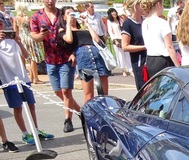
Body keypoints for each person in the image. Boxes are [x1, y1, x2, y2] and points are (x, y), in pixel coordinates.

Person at [0, 20, 55, 147]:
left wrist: (19, 42)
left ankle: (36, 130)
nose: (1, 28)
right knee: (17, 107)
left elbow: (26, 55)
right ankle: (25, 133)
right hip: (8, 80)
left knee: (31, 105)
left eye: (1, 25)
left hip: (22, 77)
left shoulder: (12, 40)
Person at [31, 0, 82, 133]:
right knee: (58, 91)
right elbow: (34, 36)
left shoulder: (63, 13)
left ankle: (68, 120)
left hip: (66, 57)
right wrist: (41, 35)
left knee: (66, 91)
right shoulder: (37, 16)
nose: (50, 1)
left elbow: (75, 33)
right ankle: (80, 112)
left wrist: (74, 53)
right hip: (50, 59)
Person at [59, 6, 110, 103]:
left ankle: (104, 114)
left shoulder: (83, 28)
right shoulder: (64, 30)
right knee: (88, 94)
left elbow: (97, 39)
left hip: (96, 54)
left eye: (73, 14)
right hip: (83, 56)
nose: (72, 16)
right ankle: (88, 116)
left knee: (104, 93)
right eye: (69, 14)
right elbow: (69, 40)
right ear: (64, 17)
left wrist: (87, 24)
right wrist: (68, 24)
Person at [141, 0, 180, 79]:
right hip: (163, 60)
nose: (163, 8)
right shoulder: (162, 23)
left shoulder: (144, 22)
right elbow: (169, 47)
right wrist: (178, 66)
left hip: (150, 60)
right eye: (163, 5)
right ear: (159, 4)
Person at [15, 3, 45, 85]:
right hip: (29, 38)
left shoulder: (16, 18)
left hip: (21, 38)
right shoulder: (28, 18)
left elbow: (15, 31)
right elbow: (33, 29)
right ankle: (35, 78)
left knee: (23, 59)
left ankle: (28, 77)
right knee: (32, 59)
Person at [122, 0, 147, 90]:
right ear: (136, 6)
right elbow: (125, 46)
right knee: (143, 89)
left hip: (151, 59)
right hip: (139, 61)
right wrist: (144, 47)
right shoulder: (128, 23)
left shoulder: (146, 21)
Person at [107, 8, 133, 76]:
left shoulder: (120, 20)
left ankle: (130, 70)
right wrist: (115, 40)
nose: (114, 13)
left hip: (123, 38)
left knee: (127, 55)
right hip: (117, 39)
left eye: (115, 12)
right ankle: (123, 70)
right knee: (120, 55)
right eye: (112, 12)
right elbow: (110, 32)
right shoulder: (109, 21)